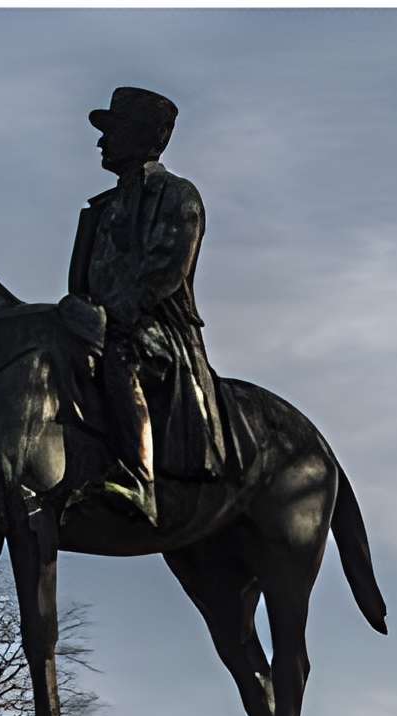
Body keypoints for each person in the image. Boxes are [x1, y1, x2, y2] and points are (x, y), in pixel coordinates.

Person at [63, 86, 236, 524]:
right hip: (99, 323)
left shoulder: (178, 195)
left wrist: (111, 315)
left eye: (113, 131)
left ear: (142, 136)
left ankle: (140, 480)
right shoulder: (100, 209)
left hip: (155, 331)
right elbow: (81, 282)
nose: (102, 142)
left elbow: (164, 271)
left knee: (122, 355)